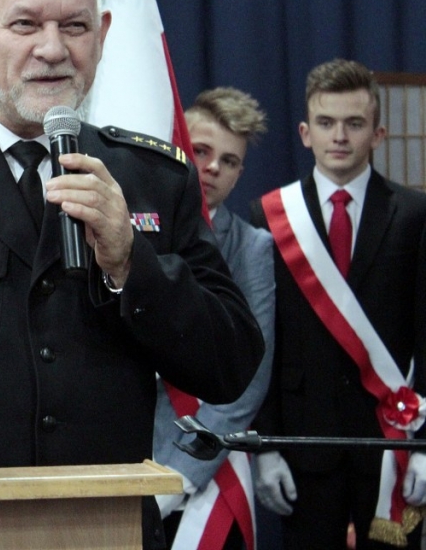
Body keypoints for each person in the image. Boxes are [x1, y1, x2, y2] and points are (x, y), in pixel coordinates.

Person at [0, 0, 264, 550]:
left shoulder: (153, 177)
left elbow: (229, 366)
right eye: (25, 24)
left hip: (106, 523)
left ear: (102, 35)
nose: (53, 49)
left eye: (75, 26)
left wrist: (130, 261)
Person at [250, 58, 426, 550]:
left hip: (392, 441)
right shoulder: (269, 215)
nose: (340, 136)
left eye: (354, 123)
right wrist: (265, 446)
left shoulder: (415, 214)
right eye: (326, 123)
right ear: (306, 134)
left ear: (378, 134)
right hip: (306, 442)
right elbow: (262, 340)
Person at [153, 87, 276, 549]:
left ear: (240, 172)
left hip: (201, 464)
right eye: (201, 151)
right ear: (177, 145)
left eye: (229, 161)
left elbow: (249, 378)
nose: (212, 168)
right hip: (119, 453)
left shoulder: (252, 249)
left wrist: (181, 475)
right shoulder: (131, 226)